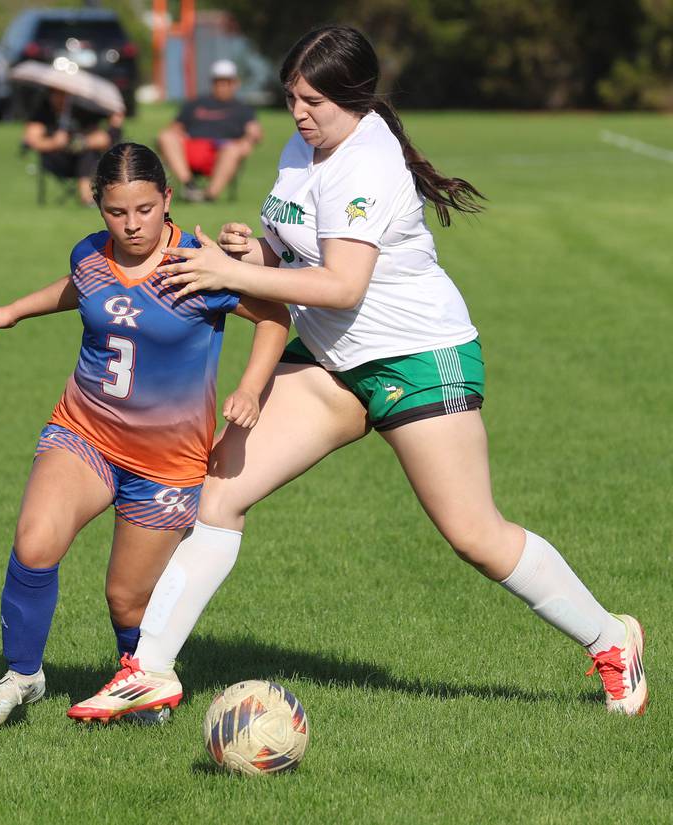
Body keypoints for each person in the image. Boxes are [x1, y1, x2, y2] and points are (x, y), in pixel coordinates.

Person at [68, 26, 648, 721]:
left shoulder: (367, 161)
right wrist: (252, 249)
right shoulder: (303, 148)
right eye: (291, 98)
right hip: (332, 358)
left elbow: (343, 285)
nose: (300, 113)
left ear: (355, 96)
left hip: (416, 356)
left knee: (473, 533)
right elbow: (288, 253)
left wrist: (231, 272)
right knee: (217, 492)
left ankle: (613, 640)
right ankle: (152, 669)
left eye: (313, 99)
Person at [0, 142, 290, 729]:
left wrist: (251, 388)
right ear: (99, 207)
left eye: (145, 209)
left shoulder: (198, 264)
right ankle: (21, 675)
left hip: (167, 463)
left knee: (127, 598)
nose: (132, 224)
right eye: (117, 212)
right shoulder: (90, 255)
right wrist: (13, 310)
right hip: (83, 431)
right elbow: (79, 289)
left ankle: (139, 682)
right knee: (36, 542)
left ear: (167, 199)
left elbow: (273, 316)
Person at [157, 59, 262, 203]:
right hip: (191, 147)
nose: (223, 86)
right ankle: (189, 185)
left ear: (235, 83)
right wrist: (177, 134)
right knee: (166, 137)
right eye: (219, 81)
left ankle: (210, 195)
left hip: (221, 151)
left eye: (227, 82)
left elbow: (254, 132)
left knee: (233, 149)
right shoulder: (196, 103)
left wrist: (247, 142)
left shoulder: (242, 108)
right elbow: (175, 127)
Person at [23, 88, 124, 206]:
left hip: (86, 158)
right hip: (56, 160)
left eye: (63, 94)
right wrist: (53, 142)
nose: (60, 98)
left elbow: (106, 136)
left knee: (87, 152)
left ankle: (87, 196)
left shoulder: (83, 109)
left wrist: (84, 142)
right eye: (56, 94)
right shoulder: (43, 111)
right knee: (86, 153)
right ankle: (87, 197)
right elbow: (32, 140)